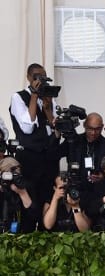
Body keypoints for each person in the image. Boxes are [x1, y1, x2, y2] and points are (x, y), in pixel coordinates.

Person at [9, 63, 61, 200]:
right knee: (31, 199)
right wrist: (33, 96)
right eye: (36, 77)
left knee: (48, 198)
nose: (40, 80)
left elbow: (54, 125)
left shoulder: (49, 97)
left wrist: (48, 106)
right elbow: (27, 128)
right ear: (28, 77)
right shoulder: (18, 97)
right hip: (29, 158)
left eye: (43, 77)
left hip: (49, 157)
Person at [59, 112, 105, 192]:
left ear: (102, 127)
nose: (93, 133)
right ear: (84, 125)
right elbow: (53, 154)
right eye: (90, 128)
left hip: (101, 192)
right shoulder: (73, 142)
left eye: (97, 129)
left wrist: (104, 177)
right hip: (76, 191)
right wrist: (57, 132)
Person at [0, 157, 40, 233]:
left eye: (16, 173)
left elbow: (35, 216)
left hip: (24, 232)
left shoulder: (27, 186)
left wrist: (22, 193)